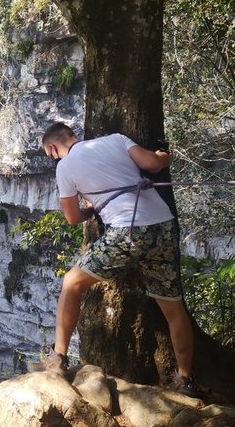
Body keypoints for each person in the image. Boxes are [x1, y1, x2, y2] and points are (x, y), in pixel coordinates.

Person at [32, 122, 197, 397]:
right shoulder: (116, 140)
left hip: (128, 232)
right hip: (164, 227)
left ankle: (57, 359)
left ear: (52, 147)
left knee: (72, 282)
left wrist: (91, 212)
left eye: (50, 155)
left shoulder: (65, 167)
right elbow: (154, 164)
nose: (53, 159)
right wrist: (164, 156)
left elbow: (72, 218)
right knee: (173, 309)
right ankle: (185, 381)